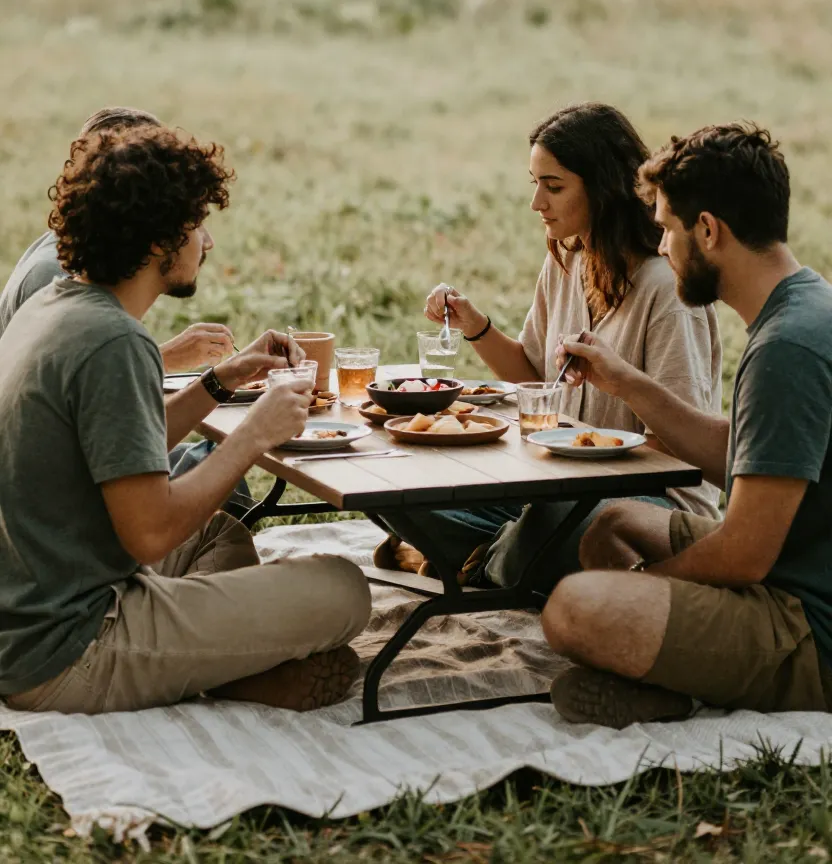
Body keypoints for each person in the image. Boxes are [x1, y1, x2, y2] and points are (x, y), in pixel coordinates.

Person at [0, 125, 370, 715]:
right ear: (159, 241)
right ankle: (222, 670)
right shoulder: (112, 341)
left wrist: (219, 383)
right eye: (197, 224)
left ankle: (222, 666)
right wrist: (255, 433)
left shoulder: (57, 306)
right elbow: (150, 532)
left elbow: (119, 449)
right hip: (71, 651)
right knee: (345, 589)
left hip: (30, 616)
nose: (208, 240)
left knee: (220, 534)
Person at [544, 122, 832, 728]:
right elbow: (754, 453)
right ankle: (668, 670)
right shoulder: (803, 307)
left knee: (573, 606)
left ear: (708, 230)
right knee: (609, 523)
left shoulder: (789, 348)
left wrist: (652, 587)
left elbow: (745, 555)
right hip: (791, 566)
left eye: (669, 227)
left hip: (807, 624)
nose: (664, 245)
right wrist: (625, 382)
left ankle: (669, 670)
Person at [374, 102, 722, 589]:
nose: (537, 202)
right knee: (406, 488)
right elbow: (532, 377)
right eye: (534, 183)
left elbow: (677, 446)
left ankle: (472, 560)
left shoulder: (665, 289)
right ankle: (498, 553)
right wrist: (476, 325)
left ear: (602, 188)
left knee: (557, 519)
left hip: (649, 499)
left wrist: (572, 465)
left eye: (553, 186)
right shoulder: (568, 260)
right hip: (560, 482)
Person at [0, 106, 237, 373]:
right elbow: (71, 385)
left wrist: (226, 377)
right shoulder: (53, 275)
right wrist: (161, 357)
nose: (208, 241)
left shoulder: (94, 265)